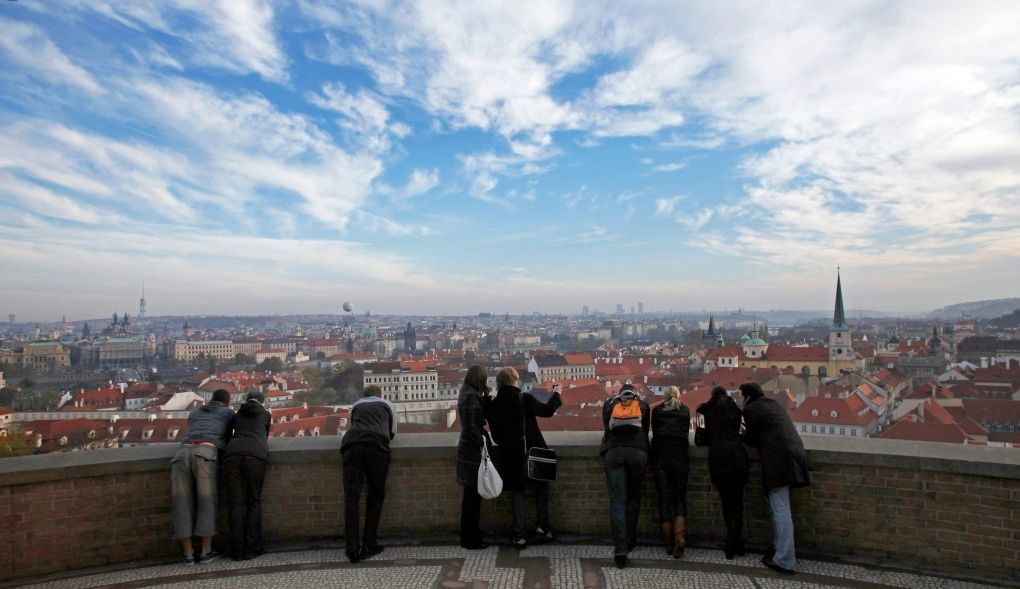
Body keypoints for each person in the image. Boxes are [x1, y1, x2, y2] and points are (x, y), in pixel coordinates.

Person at [486, 367, 562, 548]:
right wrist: (557, 394)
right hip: (533, 452)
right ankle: (542, 528)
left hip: (510, 455)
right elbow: (548, 410)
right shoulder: (525, 398)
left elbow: (495, 436)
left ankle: (519, 535)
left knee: (517, 493)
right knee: (540, 489)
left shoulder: (495, 405)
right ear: (515, 381)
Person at [739, 382, 810, 575]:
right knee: (779, 506)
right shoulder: (774, 404)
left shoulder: (752, 408)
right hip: (795, 452)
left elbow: (751, 438)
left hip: (779, 458)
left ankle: (785, 559)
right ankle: (779, 548)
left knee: (780, 509)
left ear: (746, 397)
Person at [171, 388, 234, 565]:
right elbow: (229, 437)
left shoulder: (195, 412)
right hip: (206, 452)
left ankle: (188, 553)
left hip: (183, 452)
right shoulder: (227, 413)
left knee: (181, 502)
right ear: (227, 402)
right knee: (207, 501)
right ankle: (206, 551)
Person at [341, 384, 397, 563]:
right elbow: (392, 432)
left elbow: (352, 425)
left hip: (351, 446)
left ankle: (351, 549)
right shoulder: (387, 404)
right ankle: (368, 545)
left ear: (364, 395)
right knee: (375, 495)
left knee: (352, 499)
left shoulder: (356, 405)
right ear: (380, 394)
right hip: (376, 447)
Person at [600, 383, 651, 569]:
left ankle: (620, 549)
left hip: (613, 453)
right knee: (634, 496)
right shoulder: (643, 405)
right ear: (635, 393)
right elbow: (645, 432)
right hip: (638, 453)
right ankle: (630, 539)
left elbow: (607, 428)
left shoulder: (608, 404)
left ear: (620, 394)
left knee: (617, 501)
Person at [696, 386, 749, 560]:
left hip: (719, 457)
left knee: (727, 501)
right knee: (738, 501)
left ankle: (731, 541)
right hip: (738, 456)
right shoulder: (737, 411)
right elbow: (743, 433)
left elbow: (700, 438)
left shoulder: (703, 410)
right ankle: (738, 541)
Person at [222, 391, 271, 561]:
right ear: (261, 402)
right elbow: (264, 435)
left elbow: (228, 436)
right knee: (253, 502)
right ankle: (252, 547)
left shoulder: (237, 415)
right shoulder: (265, 415)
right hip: (255, 456)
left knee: (234, 504)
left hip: (232, 456)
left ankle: (236, 549)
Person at [650, 385, 690, 558]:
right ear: (679, 395)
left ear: (664, 396)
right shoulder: (685, 410)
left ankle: (668, 542)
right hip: (680, 456)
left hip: (660, 456)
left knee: (664, 499)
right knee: (679, 499)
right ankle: (679, 538)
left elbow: (654, 430)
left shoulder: (657, 411)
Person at [456, 365, 492, 549]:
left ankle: (471, 535)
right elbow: (471, 426)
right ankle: (470, 538)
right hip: (471, 452)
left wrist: (486, 397)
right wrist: (482, 442)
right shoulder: (470, 396)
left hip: (468, 449)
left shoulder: (468, 393)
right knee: (472, 497)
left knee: (472, 496)